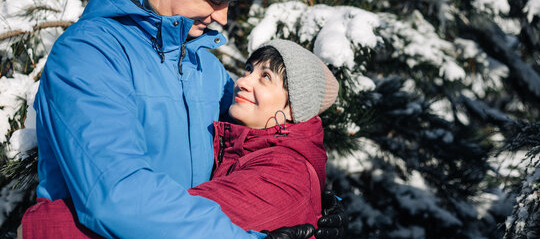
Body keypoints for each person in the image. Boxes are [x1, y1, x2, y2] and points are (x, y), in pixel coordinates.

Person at [21, 0, 346, 239]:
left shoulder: (205, 68)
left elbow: (269, 137)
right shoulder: (90, 54)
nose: (221, 17)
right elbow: (118, 199)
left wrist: (309, 203)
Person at [21, 39, 342, 237]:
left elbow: (172, 224)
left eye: (265, 77)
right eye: (248, 70)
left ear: (292, 109)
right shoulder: (247, 149)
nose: (243, 82)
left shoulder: (285, 173)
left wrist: (41, 228)